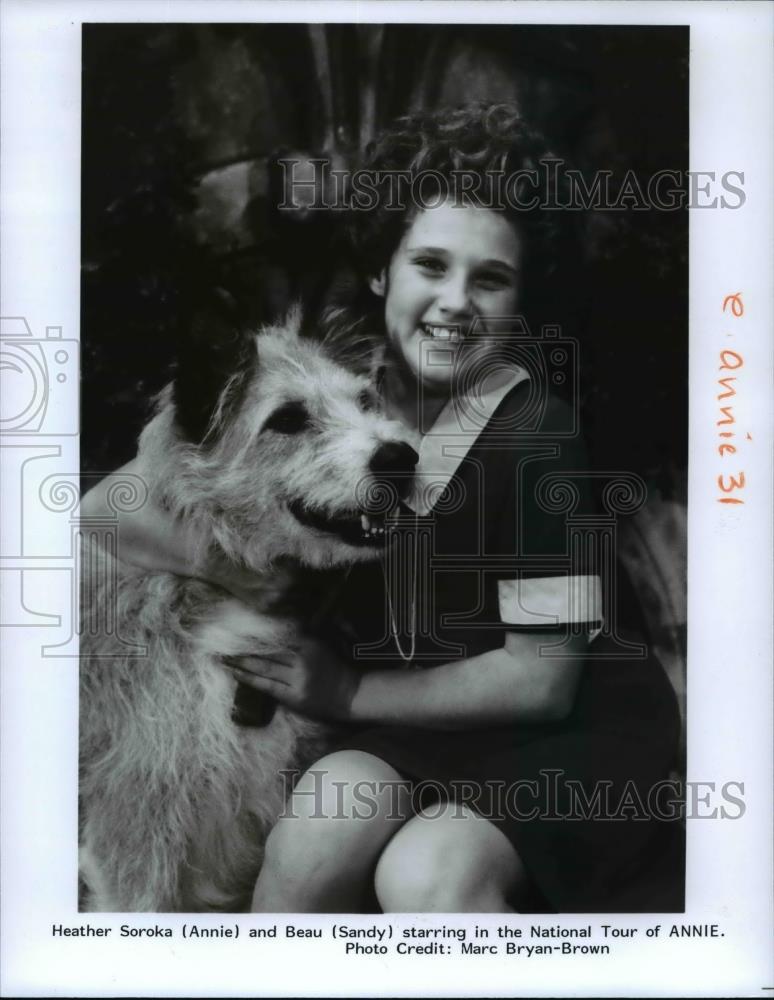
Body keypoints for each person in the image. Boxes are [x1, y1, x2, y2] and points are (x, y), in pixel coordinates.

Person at [82, 104, 682, 914]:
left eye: (491, 278)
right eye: (430, 264)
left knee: (426, 877)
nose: (455, 301)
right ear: (381, 274)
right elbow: (104, 512)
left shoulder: (540, 439)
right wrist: (236, 556)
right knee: (308, 843)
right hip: (417, 722)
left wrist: (344, 695)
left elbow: (539, 683)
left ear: (523, 300)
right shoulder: (344, 392)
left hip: (565, 731)